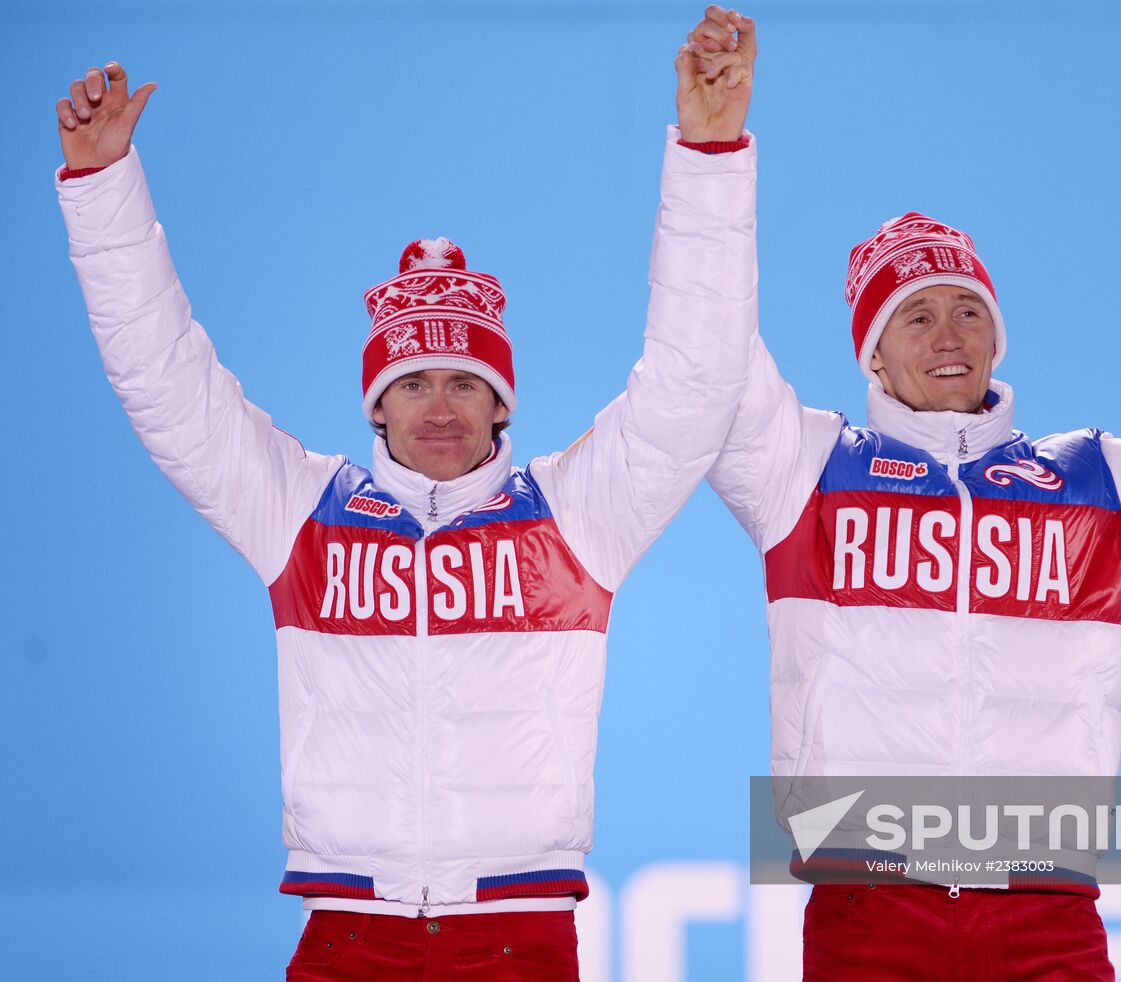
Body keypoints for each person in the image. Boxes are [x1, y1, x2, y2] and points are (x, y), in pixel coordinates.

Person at [52, 9, 757, 977]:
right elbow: (166, 382)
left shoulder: (571, 518)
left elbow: (692, 383)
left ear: (500, 404)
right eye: (413, 383)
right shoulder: (303, 515)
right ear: (375, 407)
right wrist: (102, 189)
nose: (440, 406)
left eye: (466, 382)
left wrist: (709, 153)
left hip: (520, 935)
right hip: (348, 936)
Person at [682, 21, 1121, 980]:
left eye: (969, 310)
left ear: (998, 336)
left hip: (1047, 917)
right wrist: (711, 156)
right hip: (868, 912)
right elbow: (704, 359)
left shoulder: (1095, 483)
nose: (948, 334)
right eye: (914, 317)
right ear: (872, 354)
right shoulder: (800, 466)